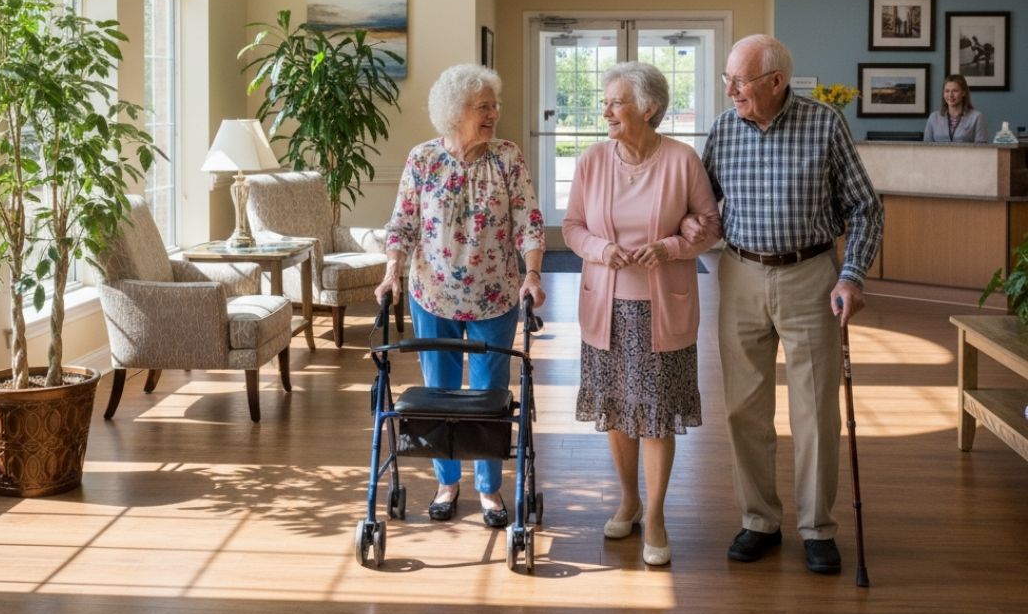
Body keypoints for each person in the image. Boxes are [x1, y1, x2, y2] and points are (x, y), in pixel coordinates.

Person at [694, 35, 883, 576]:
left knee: (815, 409)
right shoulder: (725, 128)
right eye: (728, 79)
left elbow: (867, 208)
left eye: (741, 81)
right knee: (743, 408)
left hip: (809, 275)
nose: (730, 90)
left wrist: (851, 276)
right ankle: (759, 520)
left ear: (775, 81)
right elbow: (702, 204)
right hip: (740, 274)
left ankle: (817, 527)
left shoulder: (825, 124)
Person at [562, 61, 721, 566]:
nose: (605, 110)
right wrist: (601, 249)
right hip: (605, 307)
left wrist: (671, 247)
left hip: (660, 310)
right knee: (617, 410)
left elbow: (710, 226)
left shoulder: (681, 160)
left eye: (616, 101)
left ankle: (654, 514)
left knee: (654, 416)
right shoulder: (591, 160)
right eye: (605, 101)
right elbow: (571, 227)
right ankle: (627, 498)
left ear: (648, 109)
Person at [375, 64, 545, 529]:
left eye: (495, 104)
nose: (494, 113)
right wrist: (393, 271)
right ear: (455, 113)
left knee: (490, 394)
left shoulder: (508, 158)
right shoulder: (423, 159)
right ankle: (446, 482)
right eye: (483, 106)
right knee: (438, 393)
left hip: (494, 296)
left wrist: (531, 274)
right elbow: (403, 223)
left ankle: (489, 489)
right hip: (433, 296)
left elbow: (528, 221)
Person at [923, 74, 987, 142]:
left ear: (963, 93)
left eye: (955, 91)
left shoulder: (976, 117)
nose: (950, 95)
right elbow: (926, 148)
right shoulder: (934, 117)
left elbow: (982, 148)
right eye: (947, 91)